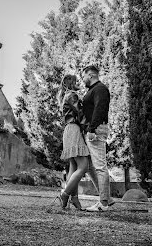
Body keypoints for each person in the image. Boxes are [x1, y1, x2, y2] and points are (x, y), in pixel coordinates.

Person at [56, 74, 93, 210]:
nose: (78, 83)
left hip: (69, 130)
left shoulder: (66, 96)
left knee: (73, 166)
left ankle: (74, 198)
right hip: (74, 130)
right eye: (76, 81)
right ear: (70, 83)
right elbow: (80, 113)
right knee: (83, 166)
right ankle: (65, 195)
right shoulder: (72, 95)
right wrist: (89, 128)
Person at [81, 65, 111, 212]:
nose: (83, 80)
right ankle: (106, 198)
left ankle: (103, 203)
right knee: (90, 166)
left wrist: (92, 129)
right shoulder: (94, 90)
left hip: (96, 129)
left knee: (99, 166)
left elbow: (100, 108)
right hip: (94, 128)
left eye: (84, 77)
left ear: (91, 75)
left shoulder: (99, 89)